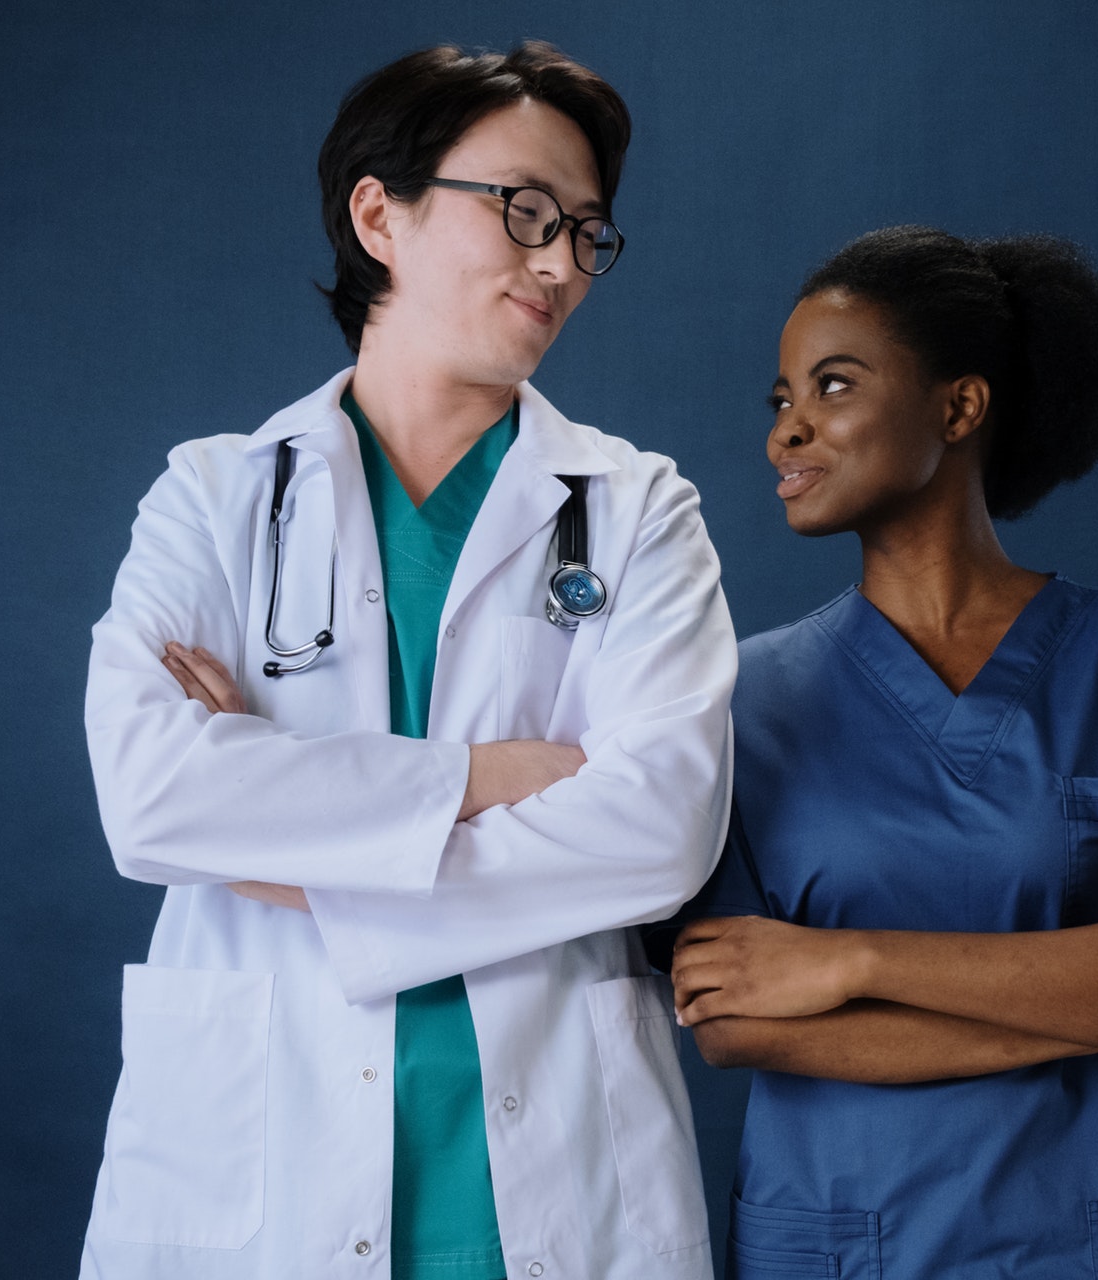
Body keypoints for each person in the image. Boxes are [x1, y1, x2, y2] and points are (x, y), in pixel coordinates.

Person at [79, 43, 734, 1280]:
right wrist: (499, 772)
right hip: (262, 1181)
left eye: (588, 233)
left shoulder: (639, 506)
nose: (559, 263)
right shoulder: (214, 496)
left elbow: (662, 828)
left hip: (553, 1184)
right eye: (525, 211)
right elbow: (154, 795)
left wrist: (290, 849)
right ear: (380, 213)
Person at [662, 226, 1098, 1279]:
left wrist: (851, 960)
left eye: (832, 387)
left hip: (1089, 1237)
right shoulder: (743, 697)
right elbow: (734, 1021)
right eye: (781, 399)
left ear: (958, 406)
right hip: (844, 1240)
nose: (789, 430)